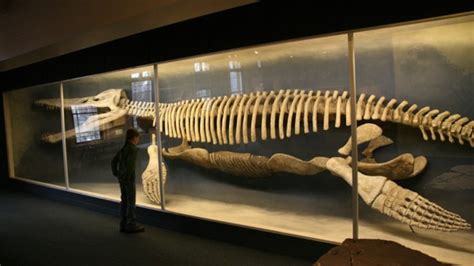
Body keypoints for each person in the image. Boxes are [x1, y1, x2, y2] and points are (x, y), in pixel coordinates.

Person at [111, 128, 145, 233]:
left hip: (122, 179)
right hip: (128, 180)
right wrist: (127, 178)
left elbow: (114, 161)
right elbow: (130, 166)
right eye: (137, 137)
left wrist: (117, 173)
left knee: (124, 201)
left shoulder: (124, 148)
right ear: (134, 137)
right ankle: (131, 224)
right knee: (131, 202)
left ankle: (123, 224)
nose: (138, 139)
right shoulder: (132, 149)